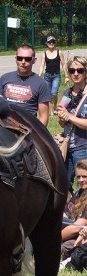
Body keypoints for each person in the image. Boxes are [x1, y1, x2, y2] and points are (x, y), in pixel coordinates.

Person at [0, 44, 50, 126]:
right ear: (16, 59)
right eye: (20, 58)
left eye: (27, 59)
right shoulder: (5, 78)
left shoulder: (41, 84)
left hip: (27, 129)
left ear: (34, 60)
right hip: (4, 126)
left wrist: (34, 135)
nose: (23, 62)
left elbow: (44, 117)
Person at [56, 56, 87, 189]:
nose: (75, 73)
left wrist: (68, 116)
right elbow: (62, 123)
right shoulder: (67, 93)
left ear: (86, 72)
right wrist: (62, 117)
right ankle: (69, 209)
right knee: (63, 185)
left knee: (83, 185)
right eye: (72, 70)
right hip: (67, 146)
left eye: (80, 70)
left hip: (84, 147)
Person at [61, 160, 87, 259]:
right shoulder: (79, 193)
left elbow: (78, 227)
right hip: (73, 233)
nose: (81, 180)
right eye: (78, 177)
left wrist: (51, 238)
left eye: (84, 176)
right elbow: (65, 216)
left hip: (82, 235)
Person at [38, 35, 68, 115]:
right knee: (48, 94)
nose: (51, 43)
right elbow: (42, 66)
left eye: (53, 42)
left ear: (55, 43)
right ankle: (51, 112)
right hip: (47, 76)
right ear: (46, 43)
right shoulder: (44, 54)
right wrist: (39, 75)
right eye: (50, 42)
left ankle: (55, 107)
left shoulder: (59, 52)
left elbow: (63, 64)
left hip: (56, 76)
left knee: (54, 93)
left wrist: (66, 76)